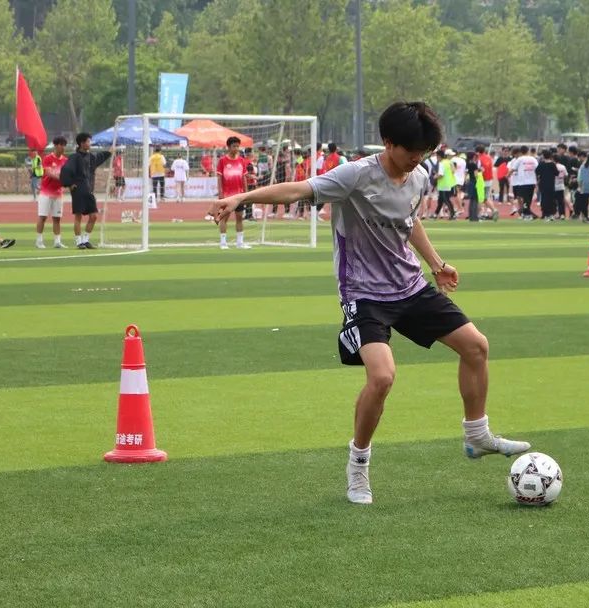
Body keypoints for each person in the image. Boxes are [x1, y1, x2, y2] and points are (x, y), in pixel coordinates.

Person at [206, 101, 530, 504]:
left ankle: (477, 435)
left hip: (410, 286)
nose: (418, 159)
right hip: (364, 295)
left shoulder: (418, 175)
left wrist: (436, 263)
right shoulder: (355, 175)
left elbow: (409, 220)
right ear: (388, 142)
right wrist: (241, 198)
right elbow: (299, 190)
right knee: (382, 377)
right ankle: (358, 465)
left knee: (476, 346)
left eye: (424, 152)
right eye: (411, 150)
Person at [65, 132, 112, 249]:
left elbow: (100, 157)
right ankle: (78, 241)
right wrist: (69, 184)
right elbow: (66, 171)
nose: (89, 143)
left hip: (89, 191)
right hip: (78, 191)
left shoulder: (91, 157)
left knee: (94, 216)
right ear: (81, 143)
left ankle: (86, 240)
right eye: (88, 141)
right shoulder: (74, 157)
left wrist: (110, 151)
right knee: (78, 216)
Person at [217, 135, 251, 249]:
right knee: (224, 218)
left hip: (239, 195)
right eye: (234, 146)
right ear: (228, 147)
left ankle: (240, 243)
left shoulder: (241, 160)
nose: (236, 148)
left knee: (239, 218)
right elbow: (219, 178)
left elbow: (244, 177)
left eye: (237, 146)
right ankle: (223, 243)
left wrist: (246, 193)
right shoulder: (222, 161)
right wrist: (220, 193)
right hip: (227, 196)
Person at [35, 136, 67, 249]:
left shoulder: (65, 160)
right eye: (61, 145)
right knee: (43, 217)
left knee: (57, 218)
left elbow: (67, 174)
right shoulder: (48, 158)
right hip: (46, 192)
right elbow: (48, 173)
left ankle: (57, 241)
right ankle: (39, 241)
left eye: (64, 145)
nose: (63, 147)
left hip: (58, 193)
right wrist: (63, 179)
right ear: (56, 145)